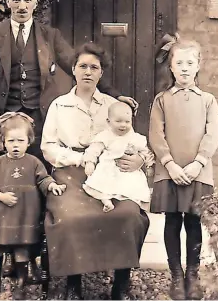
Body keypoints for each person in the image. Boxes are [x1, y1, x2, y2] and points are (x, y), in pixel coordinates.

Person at [0, 0, 138, 281]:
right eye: (16, 0)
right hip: (7, 128)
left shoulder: (49, 35)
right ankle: (9, 257)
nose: (22, 6)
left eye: (27, 0)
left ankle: (33, 257)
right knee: (9, 187)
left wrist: (114, 96)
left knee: (37, 191)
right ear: (7, 2)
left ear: (36, 3)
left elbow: (79, 66)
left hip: (39, 122)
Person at [41, 42, 149, 300]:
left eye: (94, 67)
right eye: (82, 66)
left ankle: (121, 282)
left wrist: (140, 162)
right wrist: (78, 159)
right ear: (74, 70)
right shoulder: (60, 105)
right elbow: (48, 146)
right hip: (70, 172)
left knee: (130, 214)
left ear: (101, 73)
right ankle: (73, 282)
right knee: (70, 217)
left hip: (112, 176)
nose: (88, 72)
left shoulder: (113, 105)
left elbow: (136, 142)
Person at [149, 37, 218, 300]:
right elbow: (156, 135)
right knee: (172, 220)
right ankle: (176, 276)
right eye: (179, 63)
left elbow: (212, 135)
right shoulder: (162, 100)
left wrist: (198, 163)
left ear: (198, 66)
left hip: (197, 171)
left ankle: (192, 275)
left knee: (193, 222)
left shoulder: (208, 101)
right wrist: (169, 164)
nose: (184, 68)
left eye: (190, 63)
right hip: (170, 172)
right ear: (171, 67)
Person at [0, 113, 66, 300]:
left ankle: (20, 283)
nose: (15, 145)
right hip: (3, 216)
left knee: (22, 249)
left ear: (29, 141)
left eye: (20, 140)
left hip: (25, 215)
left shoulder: (34, 163)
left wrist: (52, 185)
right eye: (11, 141)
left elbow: (43, 179)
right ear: (3, 142)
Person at [83, 101, 154, 212]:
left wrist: (149, 165)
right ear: (108, 121)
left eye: (127, 121)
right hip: (108, 169)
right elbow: (93, 150)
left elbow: (145, 152)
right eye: (118, 121)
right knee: (101, 185)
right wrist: (90, 162)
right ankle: (106, 201)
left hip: (127, 171)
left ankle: (131, 203)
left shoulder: (135, 137)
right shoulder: (105, 136)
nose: (123, 125)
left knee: (133, 190)